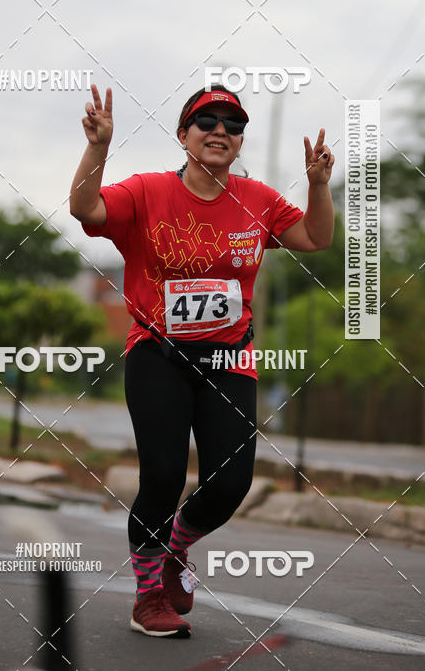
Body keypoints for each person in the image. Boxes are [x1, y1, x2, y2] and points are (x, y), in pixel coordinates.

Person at [69, 83, 335, 638]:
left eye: (233, 125)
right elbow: (85, 208)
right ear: (184, 135)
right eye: (207, 121)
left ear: (240, 143)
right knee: (163, 475)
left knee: (230, 483)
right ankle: (147, 600)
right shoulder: (146, 192)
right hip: (157, 353)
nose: (221, 130)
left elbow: (314, 237)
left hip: (228, 357)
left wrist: (317, 186)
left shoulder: (258, 200)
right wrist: (98, 148)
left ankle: (175, 548)